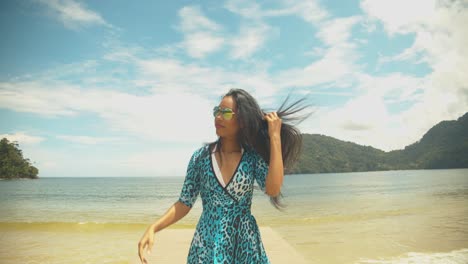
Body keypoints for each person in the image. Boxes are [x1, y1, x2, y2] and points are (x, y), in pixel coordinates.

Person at [138, 88, 310, 263]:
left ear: (242, 121)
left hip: (244, 244)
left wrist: (275, 137)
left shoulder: (251, 158)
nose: (218, 117)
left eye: (225, 113)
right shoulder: (201, 158)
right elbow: (184, 202)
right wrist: (154, 227)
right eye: (216, 111)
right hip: (207, 243)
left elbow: (273, 189)